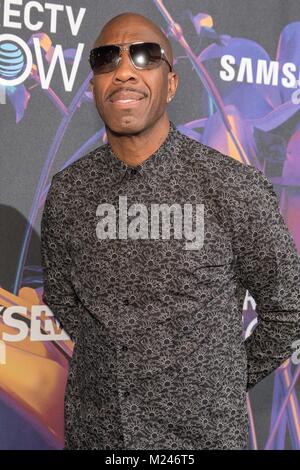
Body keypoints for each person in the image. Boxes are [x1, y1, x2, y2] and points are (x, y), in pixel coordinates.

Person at [40, 12, 300, 450]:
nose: (123, 70)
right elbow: (63, 298)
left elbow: (288, 310)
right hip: (99, 441)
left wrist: (213, 385)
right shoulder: (68, 192)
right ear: (94, 87)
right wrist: (116, 375)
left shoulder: (234, 186)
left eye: (144, 56)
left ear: (172, 83)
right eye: (107, 59)